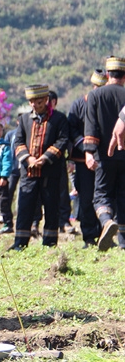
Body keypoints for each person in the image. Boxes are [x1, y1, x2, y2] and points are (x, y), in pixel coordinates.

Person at [10, 85, 69, 250]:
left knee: (51, 207)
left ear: (46, 100)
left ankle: (49, 244)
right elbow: (18, 142)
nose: (35, 105)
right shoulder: (24, 120)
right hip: (28, 172)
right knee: (25, 207)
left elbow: (63, 140)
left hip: (50, 172)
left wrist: (45, 158)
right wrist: (28, 159)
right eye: (32, 101)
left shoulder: (59, 119)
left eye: (38, 101)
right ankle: (20, 243)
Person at [84, 56, 125, 251]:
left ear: (108, 74)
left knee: (101, 195)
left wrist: (89, 152)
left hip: (104, 155)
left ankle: (107, 221)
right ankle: (123, 243)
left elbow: (91, 126)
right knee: (123, 196)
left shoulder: (95, 95)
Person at [67, 69, 106, 247]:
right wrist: (86, 148)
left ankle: (106, 232)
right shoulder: (78, 105)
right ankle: (89, 236)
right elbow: (72, 129)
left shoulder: (109, 104)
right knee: (86, 198)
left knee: (106, 197)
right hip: (84, 162)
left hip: (106, 160)